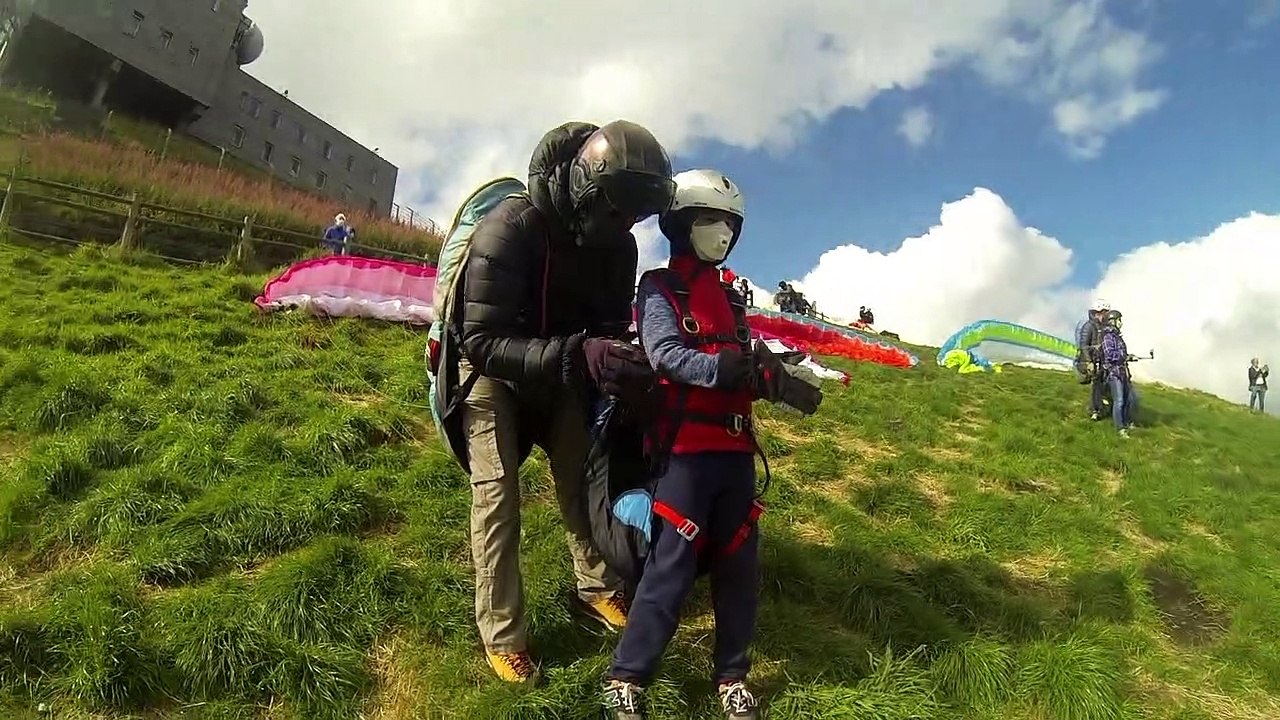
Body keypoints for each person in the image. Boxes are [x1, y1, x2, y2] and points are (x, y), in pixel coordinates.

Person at [454, 120, 677, 683]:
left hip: (561, 371)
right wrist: (581, 354)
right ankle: (503, 634)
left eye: (633, 216)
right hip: (487, 374)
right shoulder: (508, 229)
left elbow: (606, 323)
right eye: (617, 210)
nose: (624, 225)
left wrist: (624, 367)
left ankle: (597, 587)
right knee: (498, 492)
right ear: (585, 188)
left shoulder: (618, 247)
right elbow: (481, 341)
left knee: (580, 477)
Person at [602, 169, 822, 720]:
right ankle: (627, 677)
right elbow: (665, 355)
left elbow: (745, 360)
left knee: (739, 566)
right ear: (679, 225)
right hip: (685, 453)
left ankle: (732, 678)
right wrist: (724, 370)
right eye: (709, 221)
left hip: (735, 455)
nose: (721, 233)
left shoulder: (731, 298)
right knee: (671, 566)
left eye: (729, 224)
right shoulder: (659, 288)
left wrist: (777, 380)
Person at [1098, 309, 1137, 437]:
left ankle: (1126, 422)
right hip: (1114, 374)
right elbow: (1110, 354)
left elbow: (1120, 355)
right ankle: (1120, 428)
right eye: (1119, 320)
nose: (1121, 323)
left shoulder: (1117, 337)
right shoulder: (1108, 336)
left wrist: (1128, 356)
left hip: (1122, 372)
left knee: (1128, 400)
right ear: (1113, 321)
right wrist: (1124, 356)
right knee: (1119, 401)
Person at [1075, 299, 1108, 419]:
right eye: (1104, 313)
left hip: (1101, 360)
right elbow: (1083, 345)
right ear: (1098, 312)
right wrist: (1089, 362)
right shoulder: (1089, 326)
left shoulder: (1104, 327)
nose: (1106, 316)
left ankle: (1102, 406)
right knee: (1097, 383)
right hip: (1089, 361)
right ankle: (1095, 410)